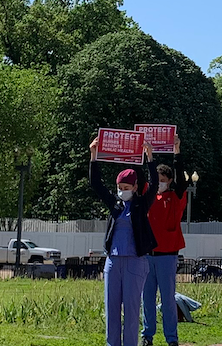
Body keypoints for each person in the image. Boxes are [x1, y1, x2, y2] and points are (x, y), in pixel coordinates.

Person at [90, 138, 159, 346]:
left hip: (135, 261)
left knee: (131, 307)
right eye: (120, 187)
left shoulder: (141, 203)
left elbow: (155, 184)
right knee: (112, 307)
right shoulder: (115, 204)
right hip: (113, 261)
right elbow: (96, 185)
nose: (123, 190)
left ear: (135, 186)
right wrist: (93, 156)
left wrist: (150, 158)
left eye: (127, 186)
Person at [142, 136, 187, 346]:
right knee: (147, 299)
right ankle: (147, 335)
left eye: (162, 179)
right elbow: (143, 177)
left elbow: (182, 178)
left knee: (168, 299)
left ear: (169, 180)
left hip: (167, 255)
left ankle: (172, 339)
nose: (157, 183)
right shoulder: (148, 194)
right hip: (148, 254)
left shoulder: (176, 196)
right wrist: (147, 157)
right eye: (155, 179)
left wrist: (177, 151)